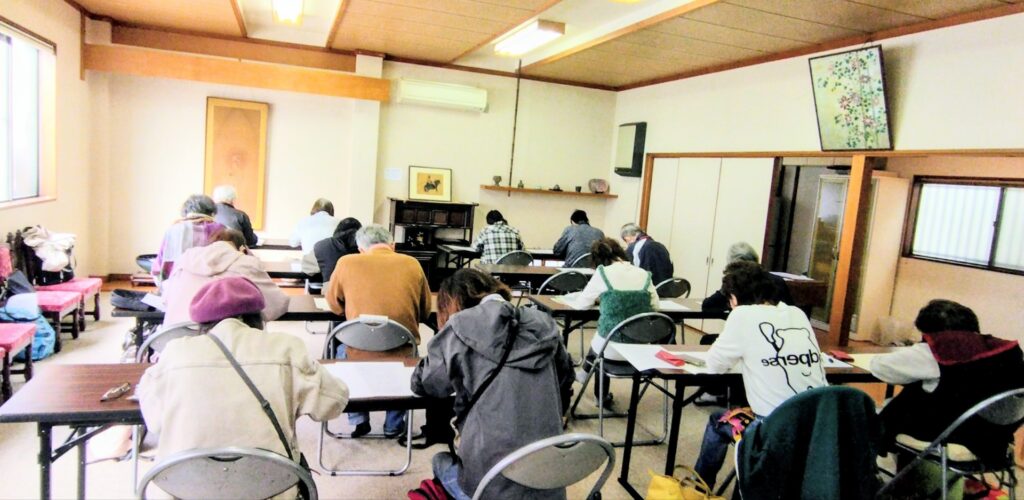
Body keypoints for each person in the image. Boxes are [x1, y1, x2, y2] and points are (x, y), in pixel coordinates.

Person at [137, 277, 348, 472]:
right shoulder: (287, 348)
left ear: (201, 323)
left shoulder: (175, 352)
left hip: (184, 484)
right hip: (272, 482)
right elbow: (332, 403)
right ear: (258, 316)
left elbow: (154, 421)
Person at [412, 269, 573, 500]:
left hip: (490, 485)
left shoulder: (458, 327)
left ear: (450, 304)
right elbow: (564, 381)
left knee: (441, 460)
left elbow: (426, 384)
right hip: (549, 480)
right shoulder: (545, 324)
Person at [692, 261, 827, 489]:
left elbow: (714, 365)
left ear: (733, 298)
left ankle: (699, 489)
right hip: (818, 424)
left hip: (772, 428)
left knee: (717, 421)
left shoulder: (742, 315)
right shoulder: (796, 314)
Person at [871, 299, 1024, 464]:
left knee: (889, 410)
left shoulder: (938, 350)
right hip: (994, 439)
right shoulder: (1003, 349)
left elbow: (880, 367)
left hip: (950, 435)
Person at [324, 224, 431, 438]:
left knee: (341, 352)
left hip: (357, 348)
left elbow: (334, 305)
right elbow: (425, 310)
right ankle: (393, 426)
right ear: (392, 245)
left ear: (360, 249)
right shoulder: (412, 263)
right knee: (406, 360)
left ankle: (358, 419)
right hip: (403, 346)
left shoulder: (346, 262)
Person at [561, 237, 658, 408]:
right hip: (640, 349)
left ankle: (595, 388)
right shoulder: (643, 274)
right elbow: (655, 306)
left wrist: (603, 300)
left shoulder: (603, 273)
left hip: (609, 350)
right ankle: (590, 379)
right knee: (606, 335)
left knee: (604, 335)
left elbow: (582, 305)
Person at [161, 228, 288, 326]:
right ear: (242, 248)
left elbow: (165, 299)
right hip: (223, 342)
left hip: (173, 338)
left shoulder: (184, 260)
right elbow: (278, 304)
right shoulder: (246, 263)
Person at [702, 242, 793, 312]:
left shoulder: (735, 282)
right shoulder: (777, 280)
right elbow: (790, 308)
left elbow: (708, 305)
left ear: (732, 264)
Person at [153, 194, 225, 283]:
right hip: (211, 285)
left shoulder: (173, 230)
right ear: (211, 211)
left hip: (176, 284)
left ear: (185, 211)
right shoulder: (221, 230)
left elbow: (159, 266)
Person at [290, 198, 339, 275]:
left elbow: (293, 243)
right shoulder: (338, 222)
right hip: (331, 269)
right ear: (331, 210)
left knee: (290, 261)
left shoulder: (303, 222)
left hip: (310, 269)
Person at [313, 217, 362, 284]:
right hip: (357, 287)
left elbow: (307, 269)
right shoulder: (365, 247)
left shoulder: (321, 245)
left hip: (330, 287)